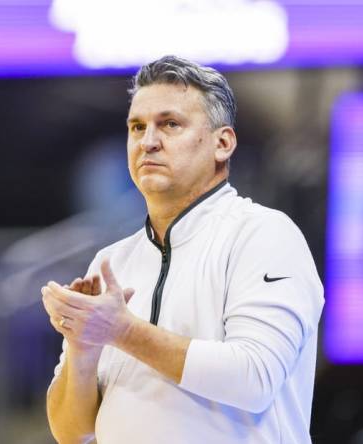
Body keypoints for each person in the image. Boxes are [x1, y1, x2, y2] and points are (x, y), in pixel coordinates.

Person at [42, 56, 324, 443]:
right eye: (137, 127)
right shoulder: (112, 261)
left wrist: (121, 330)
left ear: (222, 143)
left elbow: (255, 378)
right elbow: (71, 432)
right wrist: (83, 347)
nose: (148, 141)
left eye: (169, 124)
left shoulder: (264, 234)